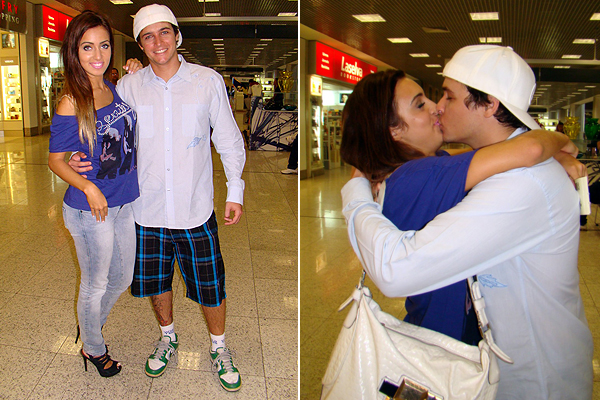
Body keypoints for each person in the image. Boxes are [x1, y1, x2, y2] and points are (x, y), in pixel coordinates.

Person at [341, 45, 592, 399]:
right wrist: (555, 145)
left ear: (489, 104)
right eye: (426, 101)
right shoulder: (491, 167)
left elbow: (397, 269)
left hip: (534, 379)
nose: (438, 106)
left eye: (448, 96)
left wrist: (551, 150)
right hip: (493, 368)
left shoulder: (520, 184)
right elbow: (519, 152)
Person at [69, 4, 245, 392]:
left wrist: (236, 189)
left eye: (164, 32)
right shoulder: (129, 87)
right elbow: (99, 123)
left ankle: (219, 347)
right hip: (145, 210)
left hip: (194, 208)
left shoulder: (207, 81)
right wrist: (74, 156)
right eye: (148, 36)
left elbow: (229, 139)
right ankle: (167, 337)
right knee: (156, 282)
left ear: (177, 36)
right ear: (140, 45)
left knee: (210, 285)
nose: (158, 42)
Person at [47, 10, 139, 377]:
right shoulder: (72, 100)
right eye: (87, 47)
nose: (97, 55)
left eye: (103, 45)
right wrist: (87, 186)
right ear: (74, 51)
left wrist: (136, 70)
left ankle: (88, 329)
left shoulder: (112, 86)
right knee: (96, 283)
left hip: (123, 201)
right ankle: (94, 348)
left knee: (122, 279)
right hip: (90, 208)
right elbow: (55, 160)